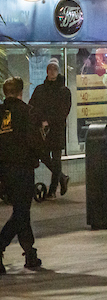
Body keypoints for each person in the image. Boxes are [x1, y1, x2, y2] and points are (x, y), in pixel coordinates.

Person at [0, 77, 47, 274]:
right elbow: (36, 143)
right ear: (20, 92)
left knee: (22, 211)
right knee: (21, 212)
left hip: (3, 171)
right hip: (22, 170)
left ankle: (30, 254)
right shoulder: (28, 112)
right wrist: (54, 168)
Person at [28, 60, 71, 198]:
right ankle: (62, 178)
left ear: (58, 72)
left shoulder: (64, 91)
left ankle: (53, 190)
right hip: (43, 130)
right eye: (50, 69)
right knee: (42, 154)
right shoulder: (40, 89)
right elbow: (32, 107)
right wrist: (40, 121)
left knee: (56, 158)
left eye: (54, 69)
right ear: (47, 71)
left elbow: (64, 111)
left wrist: (49, 121)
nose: (52, 71)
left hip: (57, 129)